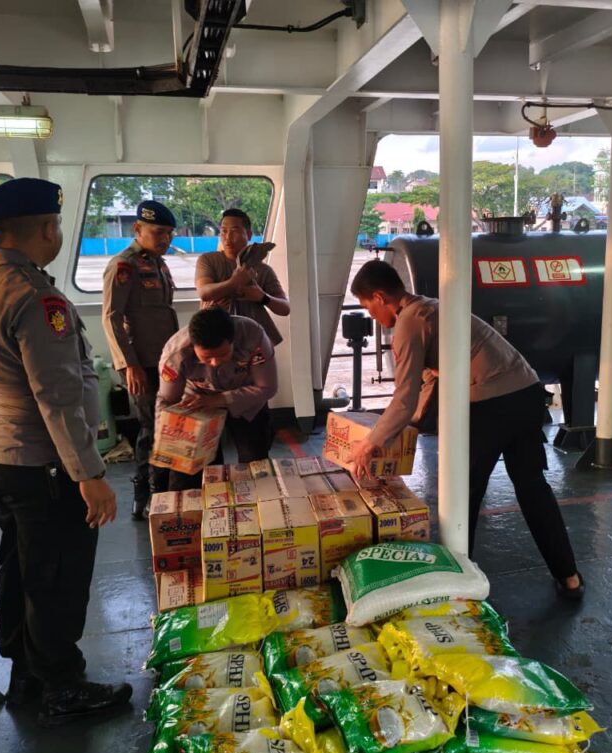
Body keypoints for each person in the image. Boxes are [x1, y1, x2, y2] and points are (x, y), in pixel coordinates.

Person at [0, 177, 132, 726]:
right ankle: (62, 685)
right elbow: (56, 396)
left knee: (21, 565)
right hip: (41, 461)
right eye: (56, 225)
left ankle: (26, 673)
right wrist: (89, 474)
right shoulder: (38, 298)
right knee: (56, 572)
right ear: (48, 230)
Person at [347, 260, 584, 600]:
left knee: (463, 493)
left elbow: (404, 397)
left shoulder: (408, 323)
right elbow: (428, 386)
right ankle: (569, 576)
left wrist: (371, 442)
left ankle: (456, 584)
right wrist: (403, 430)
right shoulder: (431, 308)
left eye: (368, 307)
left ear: (380, 297)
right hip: (527, 392)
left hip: (491, 402)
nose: (371, 315)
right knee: (532, 486)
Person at [102, 200, 180, 520]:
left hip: (164, 360)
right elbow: (111, 317)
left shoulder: (159, 264)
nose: (165, 239)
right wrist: (129, 365)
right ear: (137, 229)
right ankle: (144, 494)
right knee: (150, 427)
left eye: (169, 233)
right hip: (141, 364)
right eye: (158, 232)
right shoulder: (124, 266)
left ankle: (162, 487)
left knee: (167, 424)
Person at [156, 307, 278, 490]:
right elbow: (167, 400)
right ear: (194, 347)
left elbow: (267, 388)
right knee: (192, 470)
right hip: (198, 402)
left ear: (233, 341)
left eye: (222, 355)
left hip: (247, 401)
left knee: (254, 462)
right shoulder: (175, 354)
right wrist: (167, 438)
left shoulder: (253, 337)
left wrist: (221, 399)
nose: (214, 362)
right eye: (206, 358)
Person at [195, 208, 290, 345]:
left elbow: (285, 309)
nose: (228, 237)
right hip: (215, 338)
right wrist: (234, 282)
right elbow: (204, 293)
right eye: (224, 231)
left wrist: (262, 297)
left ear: (249, 234)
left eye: (235, 231)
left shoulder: (263, 270)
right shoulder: (208, 260)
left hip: (251, 339)